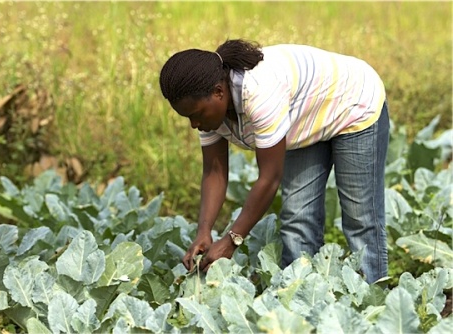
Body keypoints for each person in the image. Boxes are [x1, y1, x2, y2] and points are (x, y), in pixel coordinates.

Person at [159, 39, 389, 283]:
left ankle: (372, 294)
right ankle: (300, 298)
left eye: (195, 116)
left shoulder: (259, 92)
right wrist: (203, 231)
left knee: (359, 217)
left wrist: (232, 239)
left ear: (219, 91)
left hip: (352, 104)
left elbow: (269, 179)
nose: (194, 124)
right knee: (297, 215)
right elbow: (214, 173)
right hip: (304, 119)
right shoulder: (208, 110)